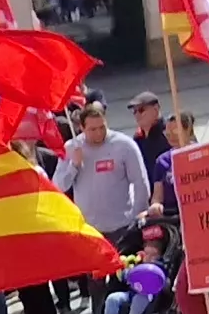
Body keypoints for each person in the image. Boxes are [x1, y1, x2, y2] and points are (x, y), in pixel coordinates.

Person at [54, 103, 153, 248]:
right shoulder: (72, 148)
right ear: (81, 128)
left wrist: (135, 217)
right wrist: (73, 165)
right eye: (92, 129)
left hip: (120, 227)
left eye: (102, 127)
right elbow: (58, 186)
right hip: (88, 230)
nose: (99, 133)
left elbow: (140, 182)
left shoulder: (124, 145)